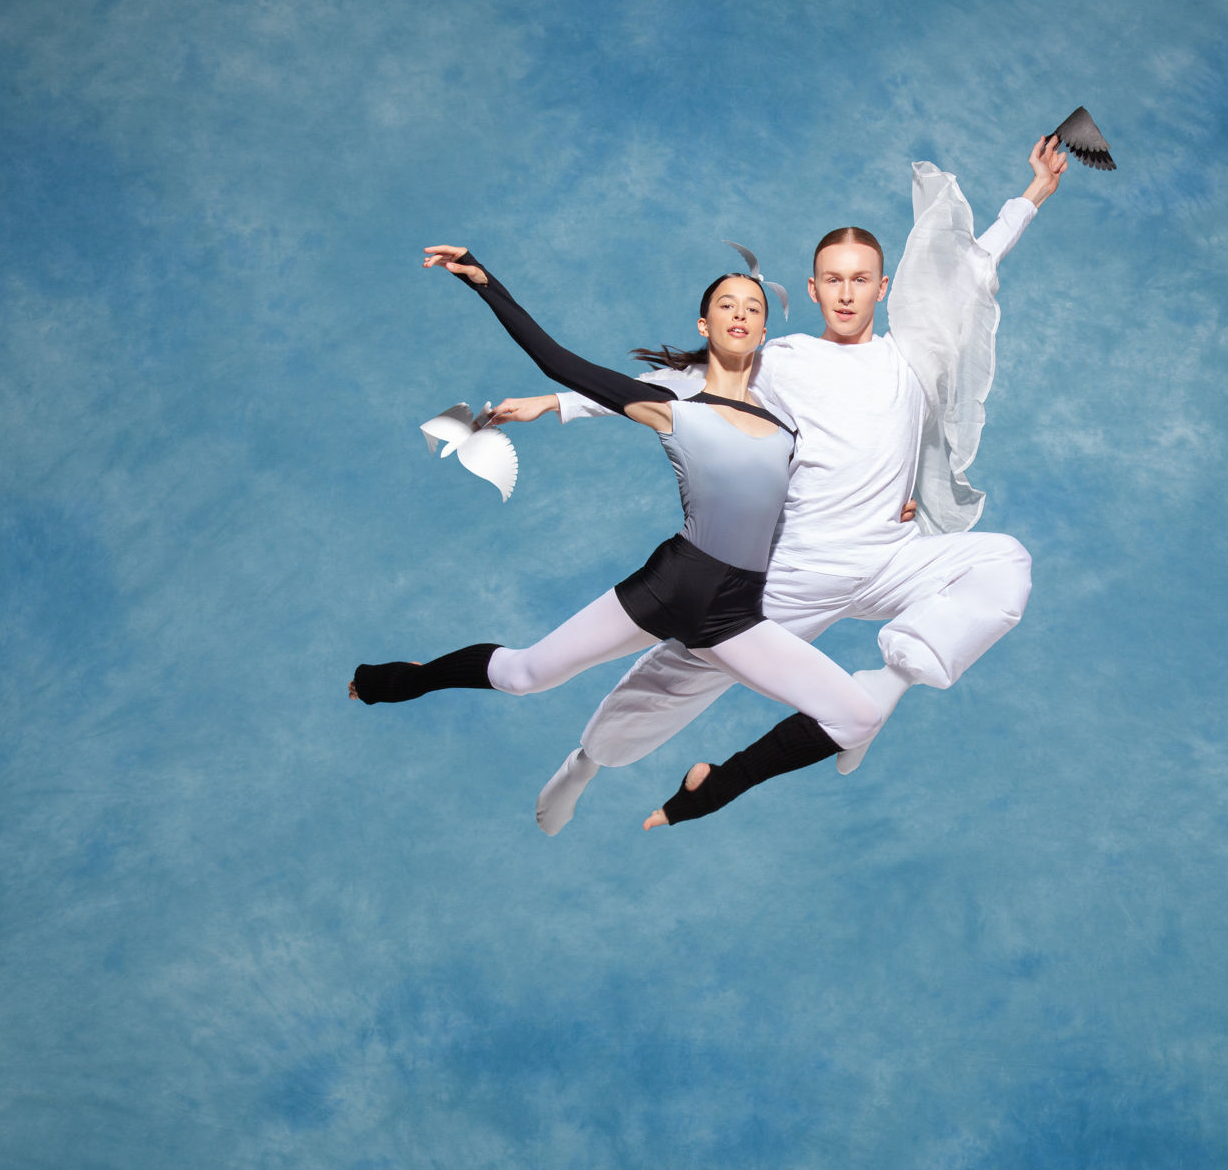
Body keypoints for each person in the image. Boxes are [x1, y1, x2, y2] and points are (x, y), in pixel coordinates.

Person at [494, 137, 1068, 832]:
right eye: (834, 279)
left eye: (862, 279)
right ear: (817, 286)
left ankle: (884, 688)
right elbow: (677, 389)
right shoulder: (783, 361)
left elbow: (973, 267)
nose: (848, 292)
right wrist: (555, 404)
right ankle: (586, 761)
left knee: (1003, 563)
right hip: (795, 573)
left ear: (884, 288)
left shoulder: (910, 355)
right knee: (673, 682)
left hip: (890, 557)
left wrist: (1033, 193)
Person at [350, 251, 883, 830]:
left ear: (762, 329)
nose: (740, 313)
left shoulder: (787, 428)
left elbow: (832, 492)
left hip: (734, 614)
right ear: (705, 326)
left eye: (753, 308)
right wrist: (484, 280)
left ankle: (708, 785)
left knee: (857, 716)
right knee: (523, 676)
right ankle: (401, 679)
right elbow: (557, 361)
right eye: (725, 305)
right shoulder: (672, 407)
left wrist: (902, 504)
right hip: (671, 584)